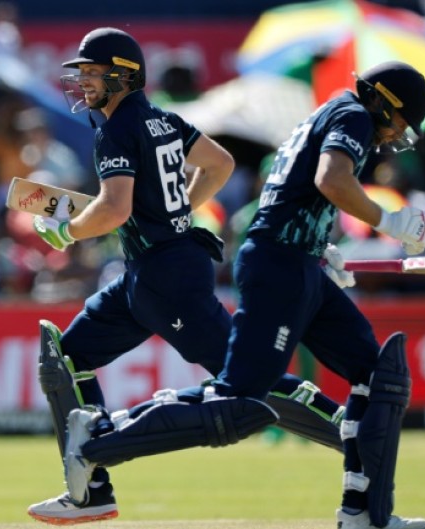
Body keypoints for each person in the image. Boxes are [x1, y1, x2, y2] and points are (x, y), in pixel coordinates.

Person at [56, 60, 425, 529]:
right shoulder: (353, 115)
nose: (393, 136)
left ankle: (364, 515)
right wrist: (390, 221)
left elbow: (291, 191)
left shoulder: (331, 112)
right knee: (240, 404)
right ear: (381, 99)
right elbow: (331, 180)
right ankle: (98, 440)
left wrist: (318, 243)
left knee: (378, 377)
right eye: (398, 122)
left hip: (294, 259)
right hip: (280, 265)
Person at [26, 27, 348, 525]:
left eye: (92, 73)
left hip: (167, 276)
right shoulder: (161, 119)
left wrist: (68, 232)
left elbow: (112, 209)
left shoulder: (116, 128)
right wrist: (175, 213)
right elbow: (218, 165)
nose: (83, 83)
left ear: (123, 76)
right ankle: (91, 491)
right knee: (66, 360)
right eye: (82, 74)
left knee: (246, 381)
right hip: (152, 271)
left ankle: (351, 430)